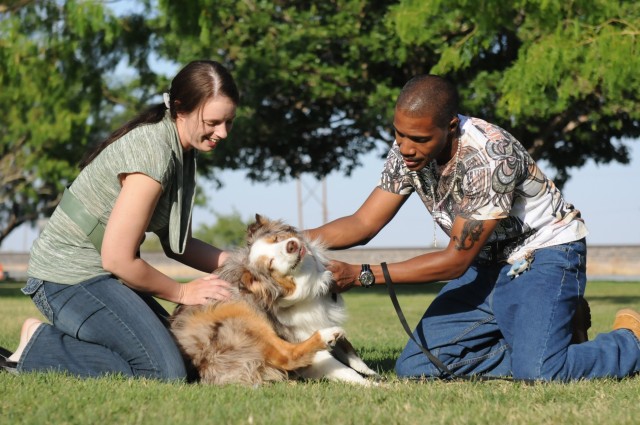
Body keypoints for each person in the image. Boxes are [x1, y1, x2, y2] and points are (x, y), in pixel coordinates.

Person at [306, 75, 640, 381]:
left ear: (450, 126)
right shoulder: (408, 151)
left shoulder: (490, 157)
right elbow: (363, 223)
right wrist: (289, 241)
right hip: (487, 262)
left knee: (540, 371)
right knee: (418, 367)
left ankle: (630, 340)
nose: (405, 148)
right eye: (399, 134)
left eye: (419, 139)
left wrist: (363, 274)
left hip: (544, 254)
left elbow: (454, 261)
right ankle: (552, 334)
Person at [0, 60, 239, 379]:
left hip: (104, 277)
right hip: (67, 278)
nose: (222, 132)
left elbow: (179, 246)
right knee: (164, 372)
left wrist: (249, 266)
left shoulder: (182, 153)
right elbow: (117, 258)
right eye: (213, 121)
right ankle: (39, 343)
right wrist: (182, 292)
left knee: (186, 361)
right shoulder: (153, 152)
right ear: (180, 108)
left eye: (229, 122)